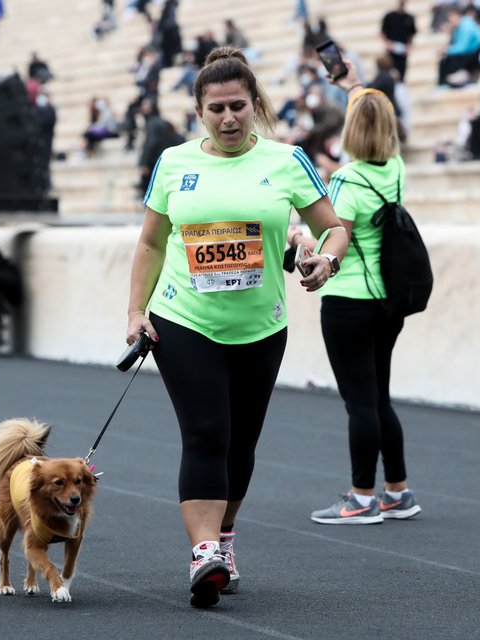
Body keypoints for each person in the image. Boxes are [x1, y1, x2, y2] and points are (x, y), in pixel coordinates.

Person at [125, 46, 347, 608]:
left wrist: (327, 259)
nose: (228, 118)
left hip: (260, 326)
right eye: (217, 109)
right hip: (183, 318)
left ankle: (224, 536)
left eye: (238, 107)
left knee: (240, 444)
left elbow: (335, 228)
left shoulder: (287, 160)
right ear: (199, 111)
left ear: (255, 105)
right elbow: (150, 242)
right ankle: (203, 553)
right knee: (206, 433)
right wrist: (135, 311)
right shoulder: (173, 163)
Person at [284, 60, 422, 525]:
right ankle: (397, 491)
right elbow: (372, 112)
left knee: (359, 402)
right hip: (387, 300)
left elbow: (333, 237)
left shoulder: (347, 179)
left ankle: (361, 498)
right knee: (379, 397)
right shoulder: (395, 168)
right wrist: (354, 86)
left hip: (349, 302)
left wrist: (297, 237)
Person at [381, 0, 417, 83]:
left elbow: (411, 35)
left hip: (402, 50)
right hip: (391, 50)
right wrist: (388, 44)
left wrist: (409, 47)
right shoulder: (389, 16)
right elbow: (382, 32)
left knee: (401, 73)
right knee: (390, 71)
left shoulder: (409, 18)